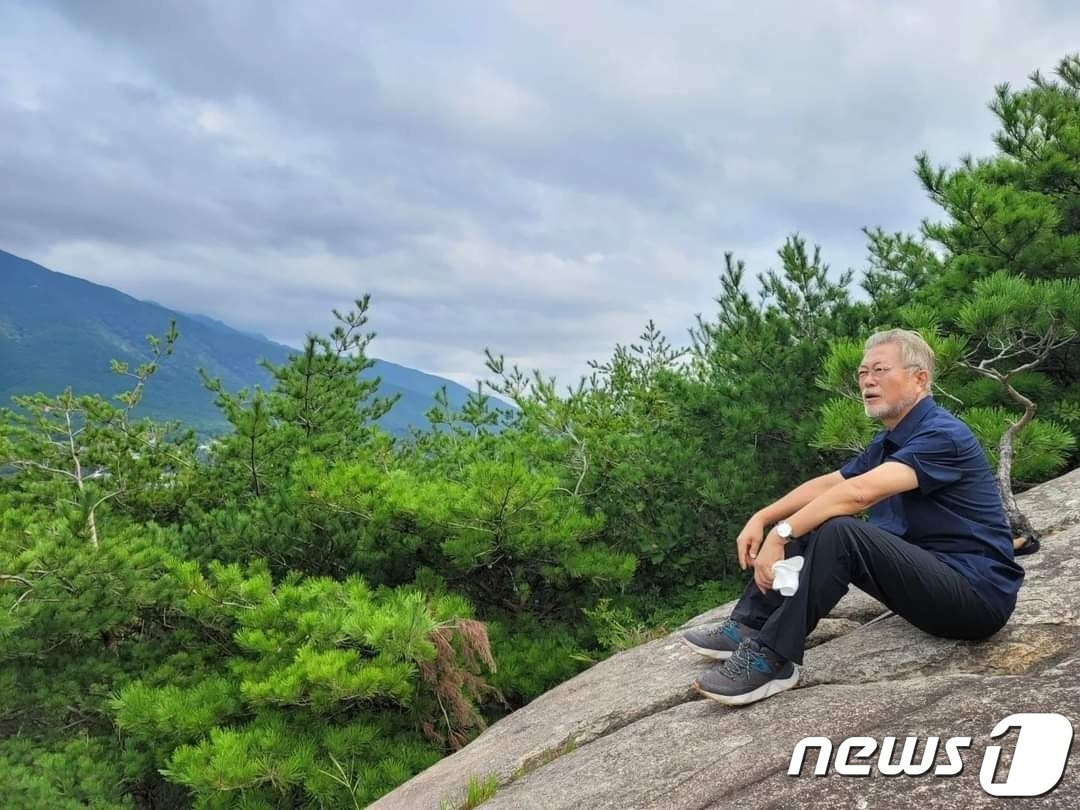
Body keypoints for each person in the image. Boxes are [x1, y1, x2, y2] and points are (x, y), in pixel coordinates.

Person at [684, 329, 1024, 706]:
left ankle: (773, 658)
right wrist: (762, 517)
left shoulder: (943, 435)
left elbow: (858, 494)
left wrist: (780, 534)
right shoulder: (889, 441)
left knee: (840, 530)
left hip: (976, 599)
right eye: (863, 373)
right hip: (931, 583)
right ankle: (750, 625)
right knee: (819, 519)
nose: (868, 381)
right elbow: (831, 484)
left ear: (919, 379)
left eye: (880, 370)